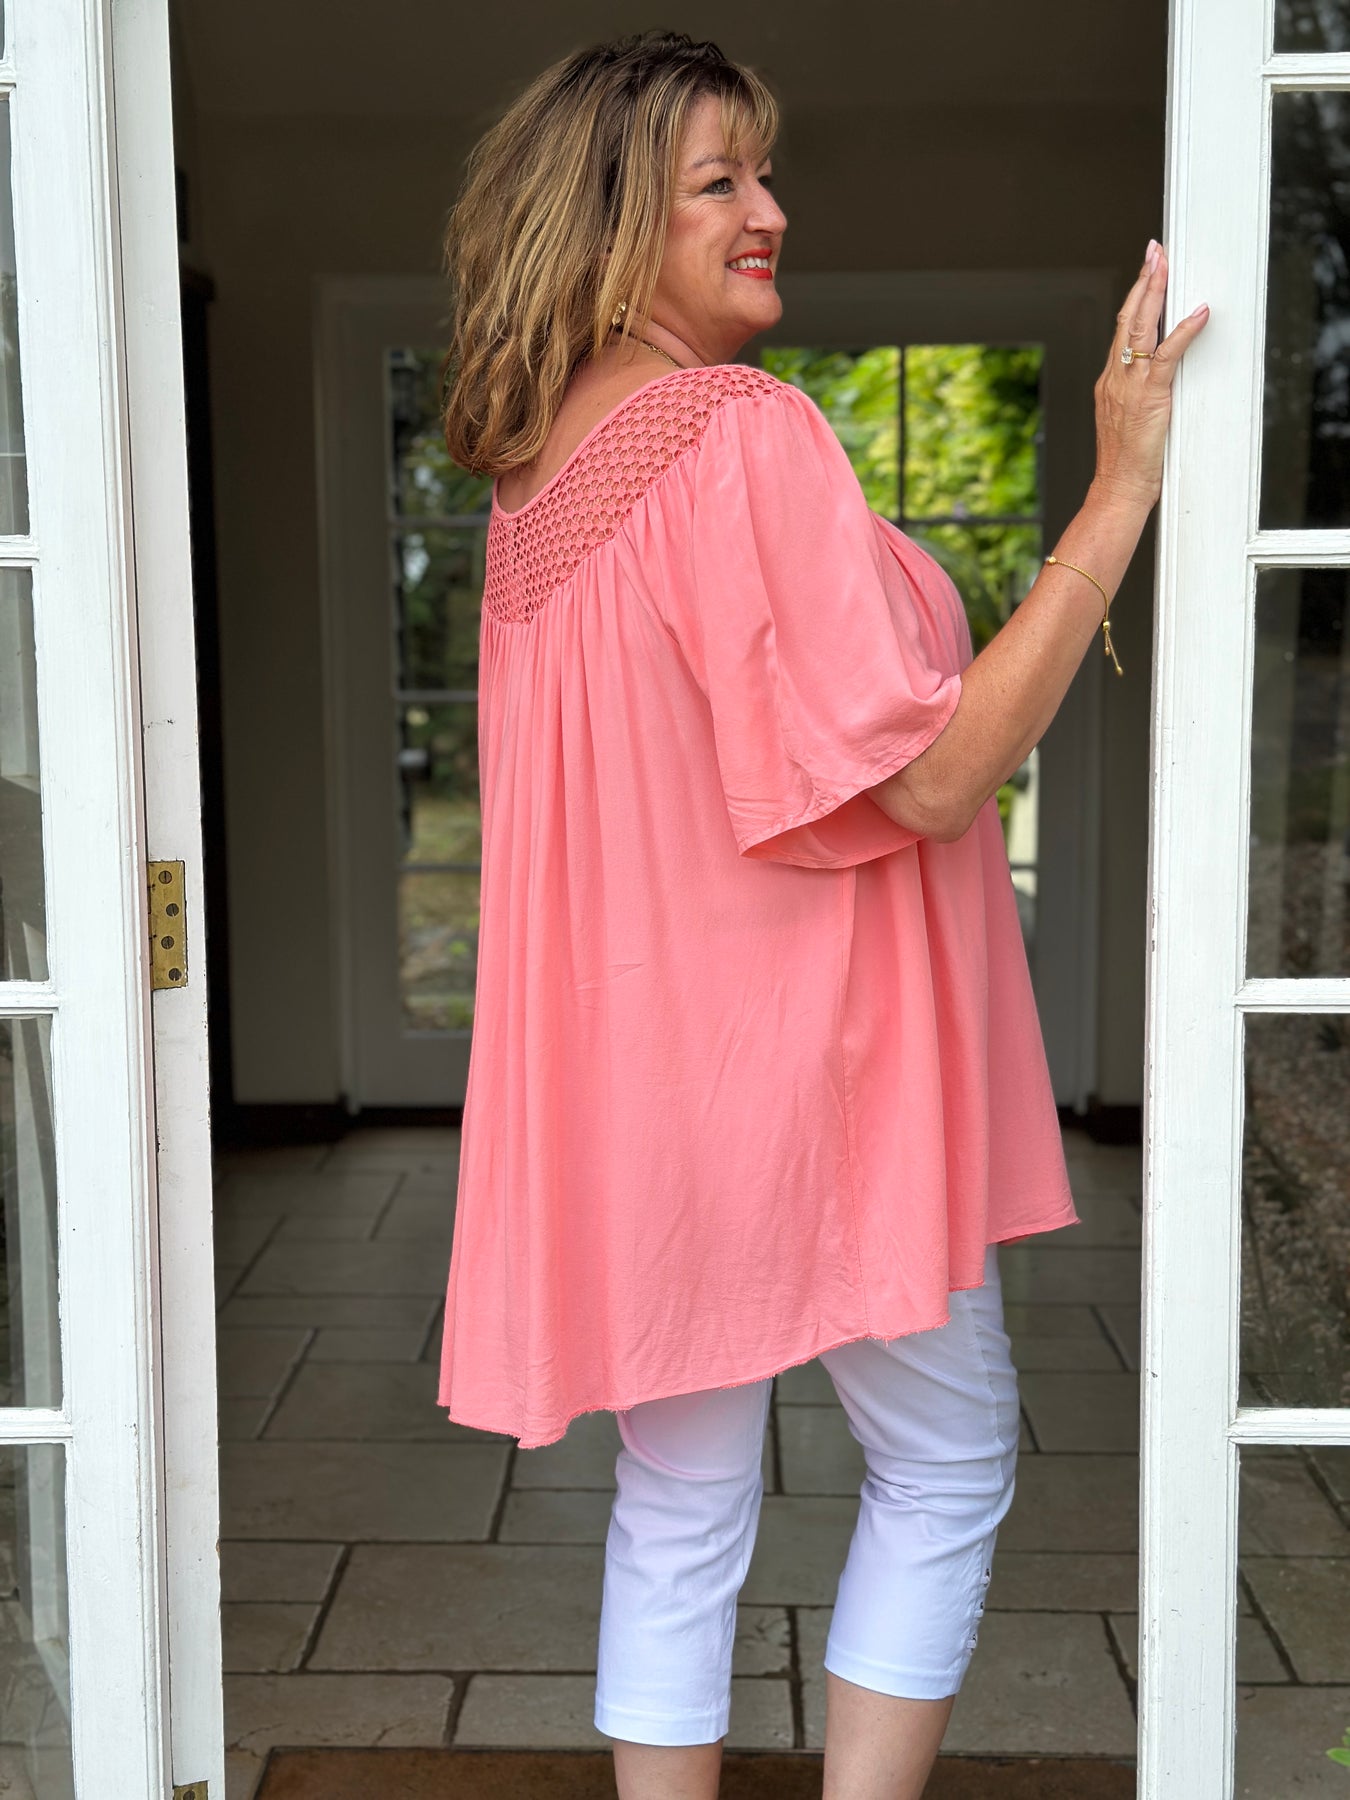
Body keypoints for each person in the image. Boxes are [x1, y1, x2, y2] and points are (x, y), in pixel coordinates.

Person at [435, 29, 1208, 1800]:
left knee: (678, 1498)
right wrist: (1118, 490)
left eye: (764, 172)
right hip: (819, 1074)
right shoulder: (737, 431)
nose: (768, 209)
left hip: (649, 1077)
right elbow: (928, 785)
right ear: (611, 219)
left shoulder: (531, 486)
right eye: (718, 181)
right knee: (943, 1461)